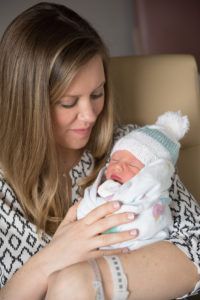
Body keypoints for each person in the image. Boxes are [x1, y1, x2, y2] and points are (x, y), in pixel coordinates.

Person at [0, 2, 199, 300]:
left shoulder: (134, 146)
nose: (90, 115)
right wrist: (53, 259)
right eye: (69, 102)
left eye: (97, 93)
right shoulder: (5, 187)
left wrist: (92, 281)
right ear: (28, 103)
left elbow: (195, 244)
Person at [77, 111, 189, 251]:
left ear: (152, 172)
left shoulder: (153, 189)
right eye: (115, 160)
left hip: (144, 250)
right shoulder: (102, 188)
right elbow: (84, 213)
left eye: (132, 165)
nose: (117, 166)